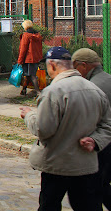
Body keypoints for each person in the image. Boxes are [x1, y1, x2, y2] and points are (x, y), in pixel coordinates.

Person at [20, 46, 111, 210]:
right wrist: (95, 140)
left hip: (57, 164)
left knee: (50, 205)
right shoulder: (95, 90)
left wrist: (29, 115)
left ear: (52, 66)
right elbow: (108, 125)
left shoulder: (53, 92)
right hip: (86, 165)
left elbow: (43, 130)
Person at [72, 48, 111, 209]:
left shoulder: (92, 87)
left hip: (101, 144)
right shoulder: (108, 78)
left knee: (93, 189)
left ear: (84, 66)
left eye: (75, 67)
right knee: (102, 185)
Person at [17, 19, 43, 96]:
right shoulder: (38, 35)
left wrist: (19, 61)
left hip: (28, 58)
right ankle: (24, 90)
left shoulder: (26, 35)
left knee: (32, 75)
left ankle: (38, 92)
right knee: (28, 74)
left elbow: (23, 49)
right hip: (36, 58)